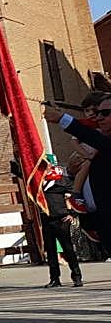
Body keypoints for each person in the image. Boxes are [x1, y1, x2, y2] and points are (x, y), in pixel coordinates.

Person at [45, 97, 111, 242]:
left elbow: (94, 138)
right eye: (97, 112)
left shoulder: (102, 142)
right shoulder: (96, 139)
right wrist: (71, 171)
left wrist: (62, 118)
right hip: (101, 221)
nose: (98, 117)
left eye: (105, 113)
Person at [40, 165, 83, 288]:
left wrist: (72, 214)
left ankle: (77, 276)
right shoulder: (38, 184)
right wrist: (17, 155)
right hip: (46, 220)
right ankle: (54, 279)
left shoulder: (62, 181)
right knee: (51, 251)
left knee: (68, 249)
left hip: (61, 219)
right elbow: (23, 173)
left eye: (46, 167)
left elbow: (76, 194)